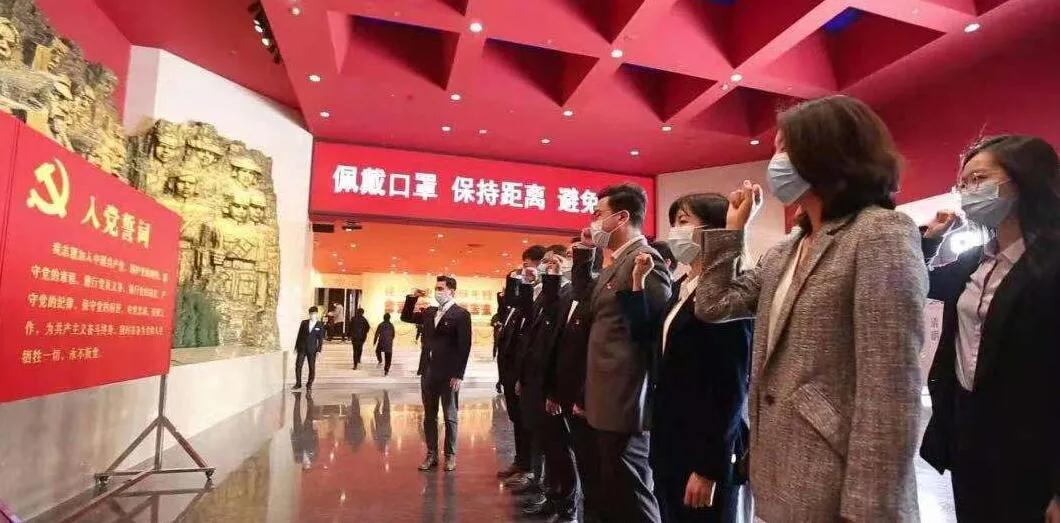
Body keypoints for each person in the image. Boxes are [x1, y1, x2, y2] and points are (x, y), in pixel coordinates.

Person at [694, 95, 927, 520]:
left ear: (827, 152)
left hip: (837, 476)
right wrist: (732, 232)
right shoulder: (787, 249)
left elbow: (890, 386)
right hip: (779, 470)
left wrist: (870, 508)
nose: (775, 162)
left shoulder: (880, 232)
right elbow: (714, 304)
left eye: (785, 148)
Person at [918, 135, 1060, 522]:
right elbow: (920, 284)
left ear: (1024, 179)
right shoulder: (974, 262)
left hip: (1034, 449)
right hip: (969, 438)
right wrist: (930, 242)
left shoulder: (1051, 262)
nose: (968, 192)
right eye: (962, 184)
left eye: (979, 179)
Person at [621, 193, 753, 523]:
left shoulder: (728, 293)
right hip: (670, 439)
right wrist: (636, 285)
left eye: (683, 222)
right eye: (674, 222)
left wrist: (709, 468)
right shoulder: (683, 285)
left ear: (716, 231)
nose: (675, 231)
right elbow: (649, 339)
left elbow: (730, 386)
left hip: (703, 448)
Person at [574, 183, 671, 523]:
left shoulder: (645, 260)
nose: (593, 221)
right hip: (604, 396)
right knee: (613, 491)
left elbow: (651, 331)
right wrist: (584, 252)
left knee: (633, 494)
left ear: (621, 217)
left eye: (598, 214)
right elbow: (587, 305)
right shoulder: (615, 263)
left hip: (626, 398)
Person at [538, 241, 599, 523]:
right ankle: (564, 503)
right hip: (561, 389)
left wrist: (583, 396)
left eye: (576, 257)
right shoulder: (567, 297)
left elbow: (593, 352)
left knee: (586, 462)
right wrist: (552, 390)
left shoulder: (594, 295)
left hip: (583, 395)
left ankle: (574, 509)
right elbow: (554, 339)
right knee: (559, 450)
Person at [400, 276, 472, 472]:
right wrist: (412, 297)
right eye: (436, 288)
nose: (437, 292)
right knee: (429, 416)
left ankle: (450, 455)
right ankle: (431, 454)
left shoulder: (461, 314)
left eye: (441, 288)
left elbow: (464, 346)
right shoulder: (430, 312)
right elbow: (406, 317)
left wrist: (459, 374)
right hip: (428, 371)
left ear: (451, 291)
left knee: (450, 416)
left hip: (449, 374)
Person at [496, 245, 547, 483]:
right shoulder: (516, 304)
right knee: (517, 418)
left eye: (527, 265)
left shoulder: (539, 299)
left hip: (523, 370)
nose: (522, 270)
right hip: (510, 369)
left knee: (529, 422)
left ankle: (531, 470)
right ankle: (521, 461)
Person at [293, 306, 326, 391]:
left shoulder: (319, 324)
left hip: (312, 349)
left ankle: (309, 384)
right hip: (302, 348)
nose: (312, 315)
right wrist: (296, 347)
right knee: (298, 365)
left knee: (311, 367)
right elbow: (299, 335)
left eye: (314, 314)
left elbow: (320, 339)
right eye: (311, 314)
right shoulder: (304, 323)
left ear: (316, 314)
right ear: (309, 314)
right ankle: (298, 383)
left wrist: (319, 350)